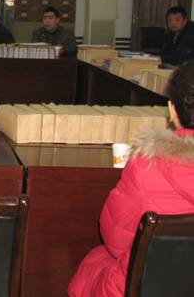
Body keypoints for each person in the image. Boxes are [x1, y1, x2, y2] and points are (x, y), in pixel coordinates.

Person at [68, 60, 194, 297]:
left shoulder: (148, 165)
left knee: (94, 263)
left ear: (172, 110)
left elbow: (115, 240)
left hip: (149, 284)